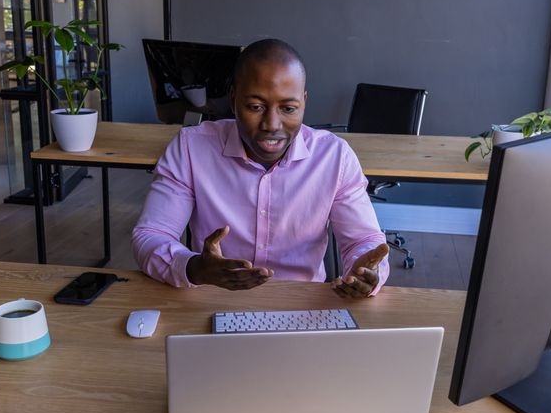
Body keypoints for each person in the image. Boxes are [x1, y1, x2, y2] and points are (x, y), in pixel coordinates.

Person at [133, 38, 390, 296]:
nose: (271, 124)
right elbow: (151, 235)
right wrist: (193, 268)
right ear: (233, 99)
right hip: (212, 301)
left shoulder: (335, 157)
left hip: (303, 305)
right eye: (255, 107)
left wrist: (368, 273)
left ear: (304, 101)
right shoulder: (191, 148)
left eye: (288, 108)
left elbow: (365, 241)